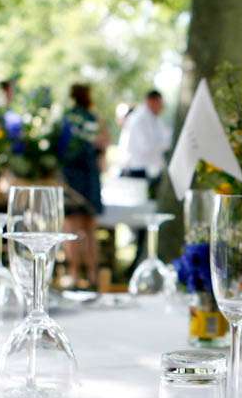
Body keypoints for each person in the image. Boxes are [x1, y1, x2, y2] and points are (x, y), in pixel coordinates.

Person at [59, 83, 109, 289]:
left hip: (73, 177)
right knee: (89, 229)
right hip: (89, 177)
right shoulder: (95, 119)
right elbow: (104, 143)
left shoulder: (67, 118)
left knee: (72, 228)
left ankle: (74, 274)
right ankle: (92, 274)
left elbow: (60, 148)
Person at [117, 89, 171, 196]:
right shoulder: (139, 119)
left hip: (150, 171)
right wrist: (165, 145)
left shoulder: (154, 119)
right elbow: (146, 147)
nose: (162, 107)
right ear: (151, 101)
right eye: (160, 103)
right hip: (137, 171)